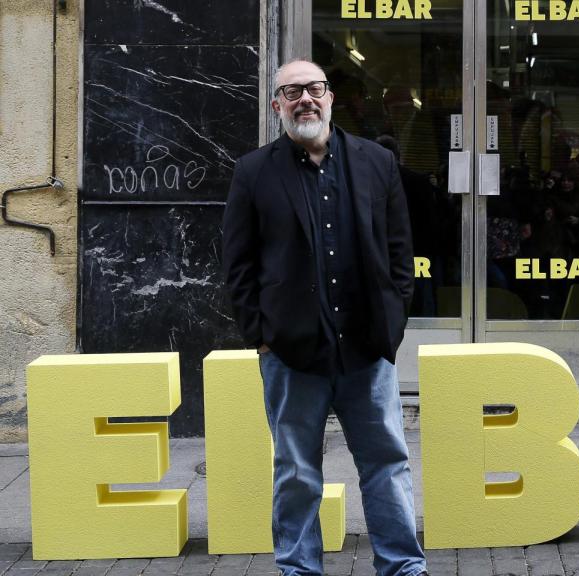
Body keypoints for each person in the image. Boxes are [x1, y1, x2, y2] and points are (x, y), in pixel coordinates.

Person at [221, 59, 428, 576]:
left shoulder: (377, 162)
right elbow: (237, 263)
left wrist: (392, 325)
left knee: (386, 464)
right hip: (291, 353)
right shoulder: (253, 171)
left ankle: (402, 566)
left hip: (365, 349)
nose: (304, 100)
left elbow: (401, 253)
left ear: (331, 97)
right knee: (296, 471)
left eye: (313, 89)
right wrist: (261, 337)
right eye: (291, 93)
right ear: (277, 107)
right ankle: (299, 568)